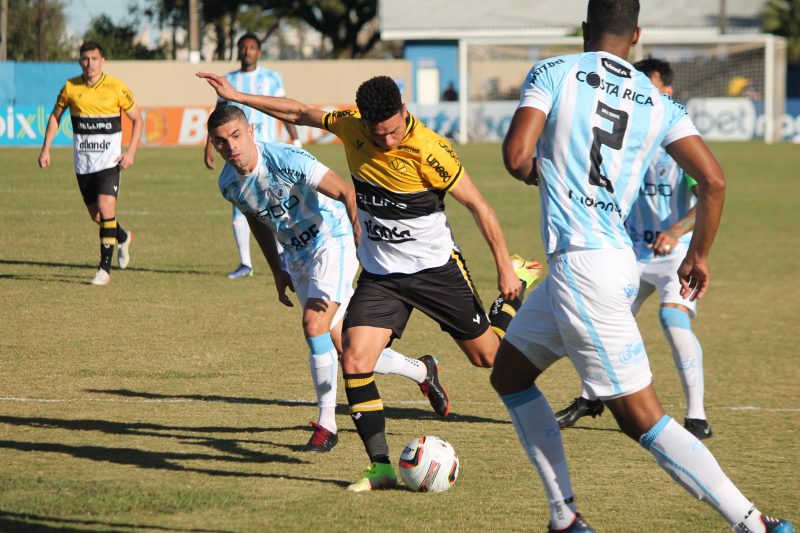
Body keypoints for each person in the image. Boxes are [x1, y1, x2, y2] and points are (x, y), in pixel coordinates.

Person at [491, 1, 794, 532]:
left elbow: (517, 157)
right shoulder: (658, 101)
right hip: (611, 258)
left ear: (585, 30)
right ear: (637, 35)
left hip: (583, 266)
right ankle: (564, 519)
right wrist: (697, 255)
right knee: (511, 374)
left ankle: (754, 523)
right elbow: (716, 181)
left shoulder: (554, 71)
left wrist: (551, 175)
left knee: (642, 419)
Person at [197, 71, 542, 490]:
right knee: (355, 359)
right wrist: (237, 97)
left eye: (394, 131)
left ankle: (513, 296)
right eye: (378, 135)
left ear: (404, 112)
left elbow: (479, 206)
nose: (388, 142)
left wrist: (505, 267)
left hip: (434, 270)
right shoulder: (350, 124)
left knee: (488, 358)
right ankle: (379, 466)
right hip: (381, 276)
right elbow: (300, 110)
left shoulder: (433, 150)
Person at [206, 104, 452, 452]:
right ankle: (423, 371)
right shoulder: (228, 184)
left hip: (331, 241)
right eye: (220, 141)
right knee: (348, 348)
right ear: (213, 145)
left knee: (313, 325)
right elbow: (256, 219)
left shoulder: (287, 159)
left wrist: (358, 235)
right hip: (297, 257)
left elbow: (346, 191)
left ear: (250, 131)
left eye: (235, 136)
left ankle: (327, 424)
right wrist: (277, 269)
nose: (230, 146)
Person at [554, 58, 712, 440]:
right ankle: (591, 396)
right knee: (593, 322)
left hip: (675, 255)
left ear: (668, 94)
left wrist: (675, 232)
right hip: (629, 254)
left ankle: (696, 416)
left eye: (651, 89)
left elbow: (707, 198)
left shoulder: (681, 145)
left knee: (674, 322)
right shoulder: (624, 139)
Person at [38, 41, 142, 286]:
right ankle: (124, 236)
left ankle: (104, 270)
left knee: (107, 210)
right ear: (80, 61)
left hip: (109, 161)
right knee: (97, 216)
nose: (90, 64)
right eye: (85, 59)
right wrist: (46, 148)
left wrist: (131, 153)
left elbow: (138, 120)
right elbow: (55, 116)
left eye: (94, 59)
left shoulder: (117, 88)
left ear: (102, 60)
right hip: (83, 164)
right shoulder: (70, 87)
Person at [203, 32, 302, 279]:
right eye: (243, 47)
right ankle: (245, 263)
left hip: (267, 152)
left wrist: (296, 139)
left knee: (275, 204)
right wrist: (208, 146)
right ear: (238, 51)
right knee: (241, 205)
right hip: (238, 155)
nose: (247, 51)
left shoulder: (271, 78)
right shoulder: (229, 80)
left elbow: (283, 110)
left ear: (259, 51)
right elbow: (218, 116)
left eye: (252, 47)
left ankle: (283, 255)